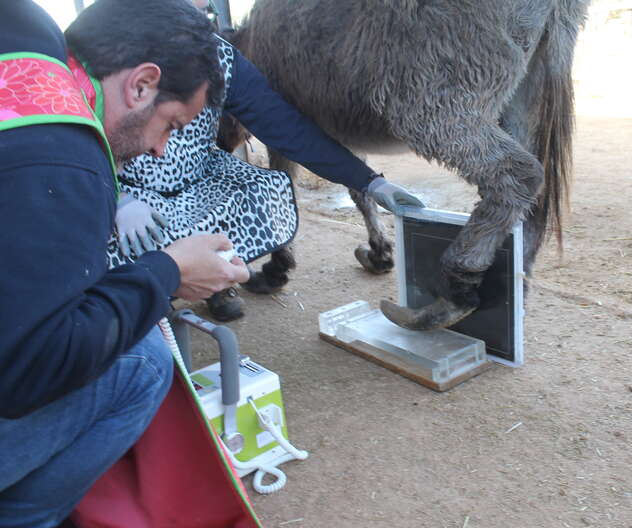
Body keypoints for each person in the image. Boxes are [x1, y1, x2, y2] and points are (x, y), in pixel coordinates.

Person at [0, 0, 249, 525]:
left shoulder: (26, 38)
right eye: (170, 124)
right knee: (142, 363)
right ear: (141, 85)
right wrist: (169, 272)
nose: (162, 151)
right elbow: (31, 369)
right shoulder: (66, 159)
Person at [109, 0, 425, 322]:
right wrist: (115, 194)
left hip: (196, 177)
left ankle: (214, 278)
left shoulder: (219, 56)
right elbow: (77, 131)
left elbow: (285, 128)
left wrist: (369, 181)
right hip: (126, 185)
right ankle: (139, 292)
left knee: (259, 187)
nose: (201, 8)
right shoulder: (112, 49)